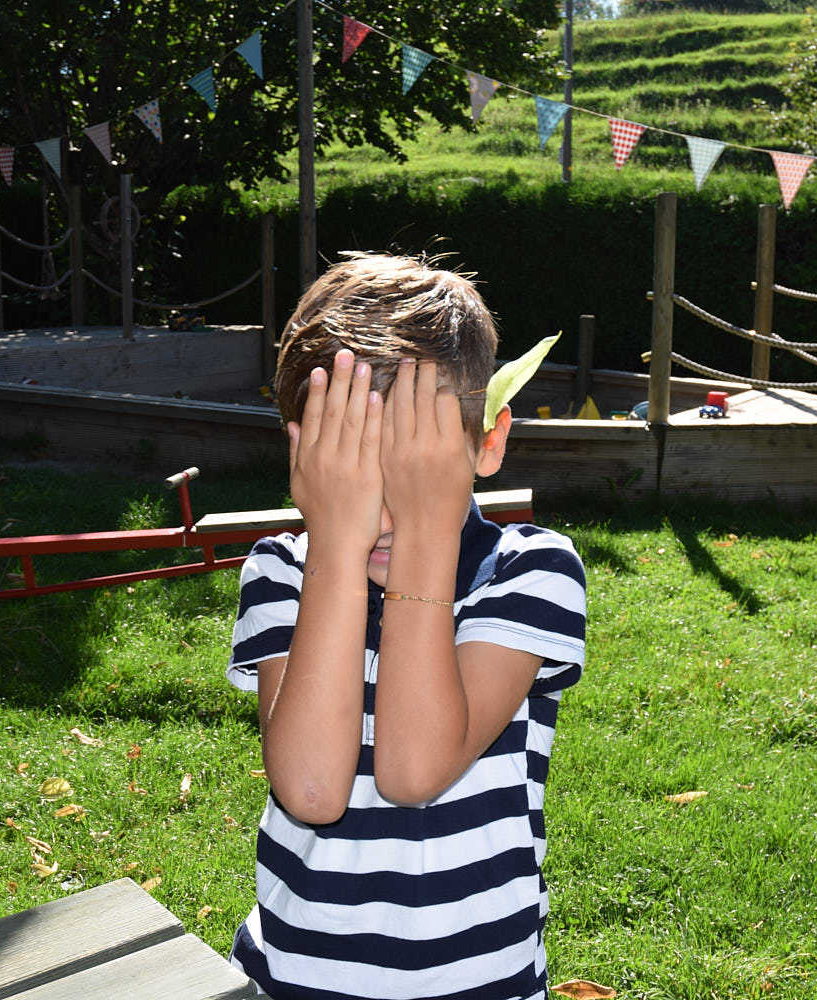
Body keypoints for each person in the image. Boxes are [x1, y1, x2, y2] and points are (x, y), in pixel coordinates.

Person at [226, 253, 587, 1000]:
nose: (386, 512)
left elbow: (414, 769)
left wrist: (428, 535)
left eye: (415, 470)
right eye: (358, 470)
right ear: (306, 461)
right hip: (296, 981)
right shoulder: (282, 572)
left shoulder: (531, 572)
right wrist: (336, 545)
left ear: (488, 443)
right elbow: (312, 789)